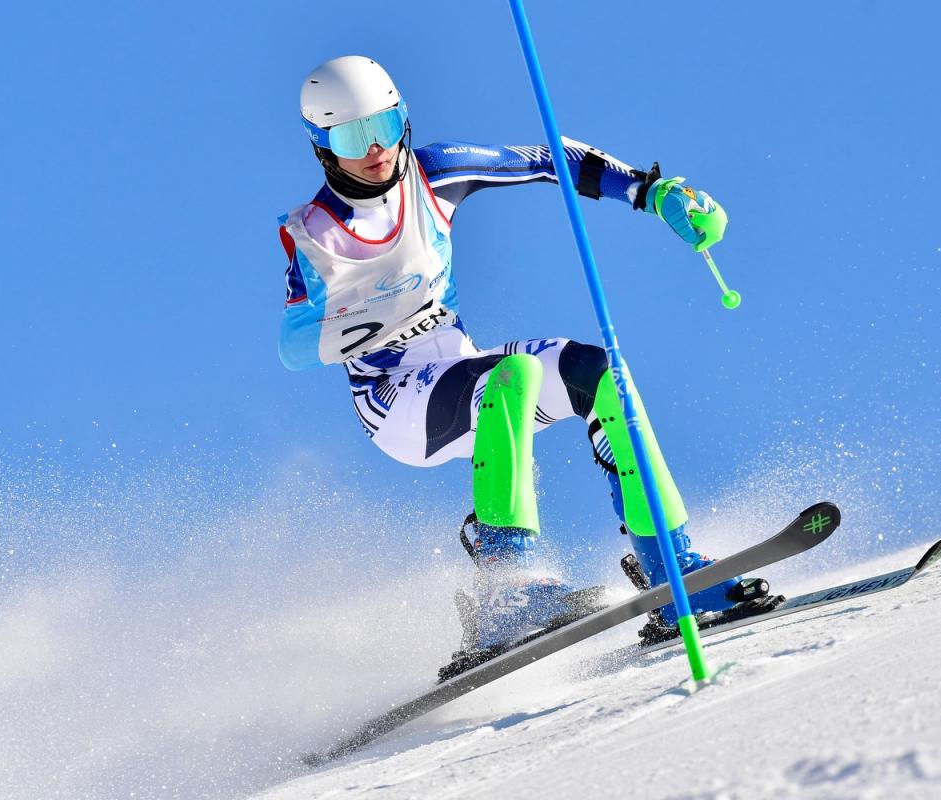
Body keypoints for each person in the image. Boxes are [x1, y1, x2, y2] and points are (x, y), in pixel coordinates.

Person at [279, 55, 762, 652]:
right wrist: (371, 312)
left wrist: (651, 190)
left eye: (386, 124)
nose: (377, 148)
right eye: (354, 136)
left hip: (462, 365)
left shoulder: (435, 172)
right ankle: (506, 591)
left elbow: (550, 161)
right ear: (323, 147)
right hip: (393, 396)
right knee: (513, 374)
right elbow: (296, 346)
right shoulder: (315, 232)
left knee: (597, 372)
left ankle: (671, 564)